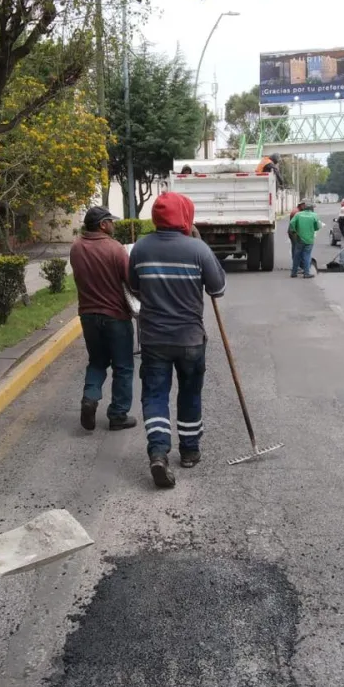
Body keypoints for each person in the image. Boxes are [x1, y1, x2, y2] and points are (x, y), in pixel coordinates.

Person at [128, 191, 225, 489]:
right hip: (191, 340)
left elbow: (134, 287)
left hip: (154, 339)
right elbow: (218, 288)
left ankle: (158, 452)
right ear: (186, 216)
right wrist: (199, 245)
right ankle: (190, 450)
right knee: (189, 393)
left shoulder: (141, 250)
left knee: (155, 396)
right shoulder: (198, 250)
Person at [69, 206, 136, 432]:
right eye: (111, 221)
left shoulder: (76, 248)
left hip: (88, 316)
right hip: (115, 316)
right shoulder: (115, 249)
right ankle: (118, 415)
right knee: (123, 366)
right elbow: (131, 280)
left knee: (97, 361)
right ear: (102, 225)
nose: (113, 225)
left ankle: (90, 398)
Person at [288, 201, 320, 278]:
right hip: (309, 239)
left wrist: (295, 231)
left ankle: (294, 273)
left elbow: (292, 223)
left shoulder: (298, 214)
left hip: (299, 238)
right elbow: (317, 227)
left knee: (297, 255)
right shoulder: (314, 215)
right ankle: (306, 273)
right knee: (307, 255)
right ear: (311, 208)